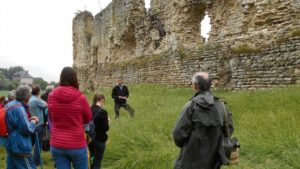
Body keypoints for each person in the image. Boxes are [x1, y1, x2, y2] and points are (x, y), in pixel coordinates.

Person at [172, 72, 234, 169]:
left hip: (190, 158)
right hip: (214, 159)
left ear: (196, 85)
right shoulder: (222, 106)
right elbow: (229, 130)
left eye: (192, 83)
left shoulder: (190, 106)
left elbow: (178, 134)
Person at [48, 67, 92, 169]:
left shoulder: (51, 96)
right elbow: (88, 118)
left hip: (57, 142)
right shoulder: (81, 97)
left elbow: (51, 117)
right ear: (74, 78)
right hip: (77, 143)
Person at [5, 85, 39, 169]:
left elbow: (15, 123)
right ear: (27, 97)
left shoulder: (10, 104)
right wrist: (33, 121)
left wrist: (27, 120)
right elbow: (27, 129)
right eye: (30, 95)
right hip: (20, 146)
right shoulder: (19, 108)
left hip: (10, 143)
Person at [88, 93, 109, 169]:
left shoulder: (88, 109)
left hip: (89, 139)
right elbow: (105, 128)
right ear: (101, 100)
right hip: (99, 139)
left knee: (91, 159)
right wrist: (108, 122)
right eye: (103, 101)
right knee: (97, 162)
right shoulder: (103, 112)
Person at [28, 84, 48, 166]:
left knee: (30, 143)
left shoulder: (29, 99)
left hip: (31, 123)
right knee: (38, 144)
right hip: (38, 123)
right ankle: (36, 161)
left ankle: (28, 159)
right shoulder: (37, 100)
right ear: (39, 91)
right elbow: (46, 105)